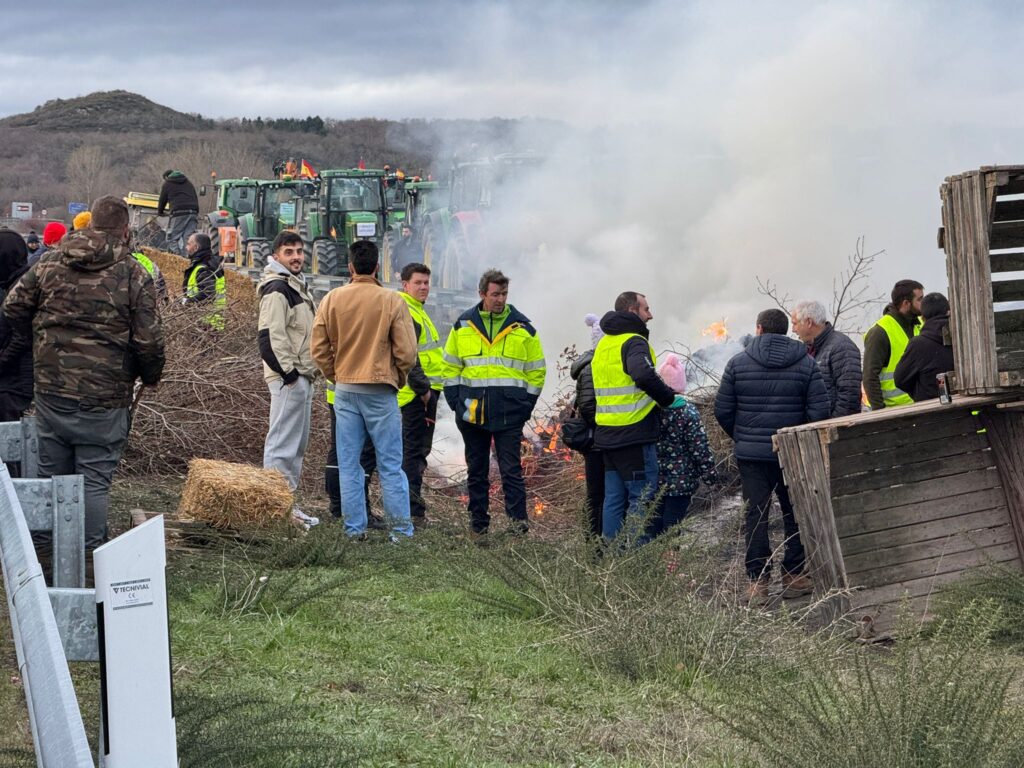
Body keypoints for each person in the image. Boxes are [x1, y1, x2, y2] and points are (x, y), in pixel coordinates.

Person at [1, 195, 165, 552]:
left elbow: (13, 306)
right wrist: (148, 375)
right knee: (93, 480)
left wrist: (41, 340)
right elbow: (149, 340)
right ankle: (89, 558)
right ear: (125, 230)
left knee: (51, 475)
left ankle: (43, 553)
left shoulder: (51, 262)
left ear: (91, 225)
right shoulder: (133, 271)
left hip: (51, 388)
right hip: (105, 394)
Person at [714, 309, 830, 604]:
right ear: (785, 332)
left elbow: (723, 411)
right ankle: (793, 576)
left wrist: (742, 438)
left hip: (752, 456)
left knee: (755, 516)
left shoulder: (737, 364)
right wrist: (798, 439)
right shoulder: (806, 364)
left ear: (759, 329)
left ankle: (757, 585)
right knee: (795, 513)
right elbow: (819, 411)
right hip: (791, 453)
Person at [312, 240, 418, 540]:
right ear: (376, 267)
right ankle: (400, 533)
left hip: (345, 390)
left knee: (349, 465)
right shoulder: (392, 301)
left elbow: (318, 349)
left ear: (350, 267)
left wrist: (337, 374)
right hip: (380, 390)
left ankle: (354, 530)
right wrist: (397, 377)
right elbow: (408, 353)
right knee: (390, 466)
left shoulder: (332, 299)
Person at [442, 269, 546, 539]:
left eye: (504, 294)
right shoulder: (463, 325)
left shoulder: (523, 327)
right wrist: (455, 402)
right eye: (495, 294)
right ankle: (479, 529)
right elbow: (450, 367)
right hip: (472, 413)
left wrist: (526, 405)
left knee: (511, 472)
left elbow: (537, 371)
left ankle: (517, 530)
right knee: (476, 473)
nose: (500, 299)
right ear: (482, 294)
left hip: (509, 414)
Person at [360, 262, 443, 526]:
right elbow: (410, 356)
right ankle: (412, 513)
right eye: (418, 282)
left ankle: (409, 511)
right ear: (405, 284)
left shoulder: (417, 310)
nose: (424, 287)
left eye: (427, 282)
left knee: (414, 453)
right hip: (415, 396)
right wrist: (424, 390)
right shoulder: (406, 309)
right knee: (413, 454)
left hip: (419, 393)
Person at [592, 291, 679, 541]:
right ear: (632, 311)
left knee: (614, 500)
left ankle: (614, 562)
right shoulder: (634, 341)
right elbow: (642, 374)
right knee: (642, 499)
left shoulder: (604, 345)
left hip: (607, 436)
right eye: (646, 309)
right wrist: (667, 397)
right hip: (634, 435)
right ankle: (639, 563)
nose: (650, 315)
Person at [258, 231, 318, 526]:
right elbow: (269, 337)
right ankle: (274, 510)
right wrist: (290, 375)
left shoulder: (297, 286)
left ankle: (287, 507)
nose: (296, 256)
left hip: (302, 376)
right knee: (282, 445)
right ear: (276, 255)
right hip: (288, 378)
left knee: (296, 448)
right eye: (289, 252)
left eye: (299, 251)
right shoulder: (277, 289)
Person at [647, 354, 718, 540]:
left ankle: (653, 567)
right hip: (681, 482)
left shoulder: (648, 411)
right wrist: (710, 475)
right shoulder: (688, 411)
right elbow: (699, 447)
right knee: (672, 529)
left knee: (653, 528)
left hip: (653, 481)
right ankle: (671, 567)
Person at [790, 300, 862, 417]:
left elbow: (849, 395)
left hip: (834, 429)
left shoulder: (841, 347)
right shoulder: (807, 350)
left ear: (809, 322)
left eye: (795, 323)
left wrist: (834, 425)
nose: (793, 329)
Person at [569, 313, 605, 537]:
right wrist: (608, 426)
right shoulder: (593, 367)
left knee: (597, 494)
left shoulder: (589, 365)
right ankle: (595, 546)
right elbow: (590, 406)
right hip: (597, 441)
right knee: (597, 495)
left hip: (596, 440)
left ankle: (596, 543)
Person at [863, 280, 924, 410]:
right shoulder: (880, 332)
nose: (924, 303)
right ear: (906, 303)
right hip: (892, 411)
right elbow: (869, 376)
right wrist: (880, 412)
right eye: (920, 299)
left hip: (917, 406)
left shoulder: (919, 324)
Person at [894, 292, 955, 402]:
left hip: (931, 410)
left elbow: (900, 380)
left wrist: (919, 392)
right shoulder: (963, 340)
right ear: (948, 312)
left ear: (922, 317)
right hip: (968, 409)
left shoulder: (918, 345)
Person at [0, 230, 32, 427]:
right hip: (11, 379)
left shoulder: (23, 288)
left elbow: (22, 337)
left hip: (15, 381)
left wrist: (1, 361)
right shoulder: (13, 283)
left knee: (8, 442)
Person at [181, 233, 225, 329]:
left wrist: (186, 301)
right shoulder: (211, 264)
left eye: (188, 244)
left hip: (206, 324)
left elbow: (208, 295)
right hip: (209, 322)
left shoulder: (204, 268)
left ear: (196, 247)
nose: (186, 247)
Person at [157, 169, 199, 256]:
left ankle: (178, 260)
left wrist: (160, 212)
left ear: (166, 177)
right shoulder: (188, 183)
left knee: (172, 238)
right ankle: (188, 260)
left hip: (179, 212)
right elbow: (194, 196)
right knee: (188, 239)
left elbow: (162, 200)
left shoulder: (167, 184)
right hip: (193, 212)